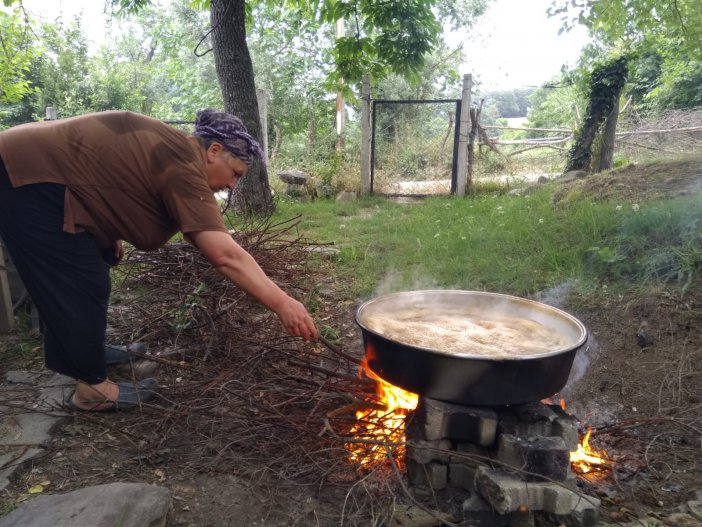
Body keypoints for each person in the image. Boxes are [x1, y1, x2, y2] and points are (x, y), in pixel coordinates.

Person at [0, 109, 318, 412]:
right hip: (24, 176)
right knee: (81, 278)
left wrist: (111, 233)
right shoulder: (184, 164)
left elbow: (114, 175)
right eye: (235, 173)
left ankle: (85, 354)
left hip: (36, 171)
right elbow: (225, 254)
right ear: (214, 151)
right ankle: (93, 392)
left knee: (94, 266)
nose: (232, 185)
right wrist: (283, 303)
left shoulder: (176, 151)